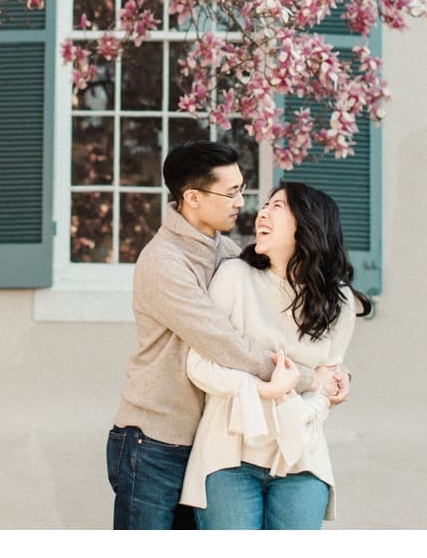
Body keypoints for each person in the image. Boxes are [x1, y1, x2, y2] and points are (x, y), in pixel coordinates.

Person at [107, 141, 349, 530]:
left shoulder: (228, 252)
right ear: (193, 198)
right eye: (231, 191)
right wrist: (309, 378)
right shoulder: (164, 262)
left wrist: (336, 373)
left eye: (242, 188)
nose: (242, 201)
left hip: (206, 438)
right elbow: (225, 343)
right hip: (153, 441)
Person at [180, 181, 367, 530]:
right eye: (263, 205)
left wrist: (319, 399)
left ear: (308, 223)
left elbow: (326, 383)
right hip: (229, 458)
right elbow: (199, 365)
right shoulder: (235, 277)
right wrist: (259, 389)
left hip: (301, 462)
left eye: (277, 206)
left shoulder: (339, 301)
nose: (261, 213)